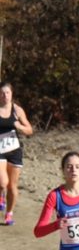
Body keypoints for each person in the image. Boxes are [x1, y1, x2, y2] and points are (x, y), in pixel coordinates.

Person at [0, 81, 33, 224]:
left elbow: (29, 130)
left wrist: (19, 126)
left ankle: (9, 214)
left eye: (7, 92)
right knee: (3, 183)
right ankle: (1, 195)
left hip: (14, 150)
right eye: (1, 93)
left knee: (12, 186)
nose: (4, 95)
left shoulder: (17, 110)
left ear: (12, 94)